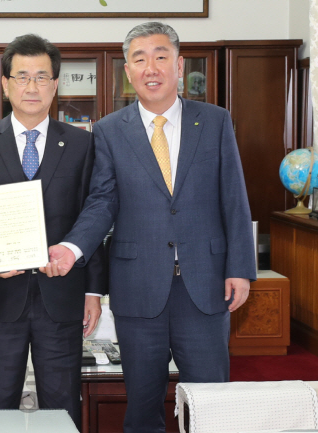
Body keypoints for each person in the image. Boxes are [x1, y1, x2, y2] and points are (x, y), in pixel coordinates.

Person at [41, 22, 256, 432]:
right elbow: (102, 201)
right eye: (140, 59)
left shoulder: (214, 121)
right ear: (128, 70)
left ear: (179, 66)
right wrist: (72, 248)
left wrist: (240, 268)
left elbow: (234, 198)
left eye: (161, 56)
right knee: (142, 405)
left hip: (206, 284)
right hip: (138, 287)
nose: (151, 67)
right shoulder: (107, 130)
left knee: (211, 401)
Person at [0, 34, 106, 428]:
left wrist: (93, 290)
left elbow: (93, 215)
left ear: (56, 85)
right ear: (5, 84)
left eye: (42, 77)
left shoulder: (81, 143)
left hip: (63, 298)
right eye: (22, 76)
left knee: (62, 406)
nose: (32, 86)